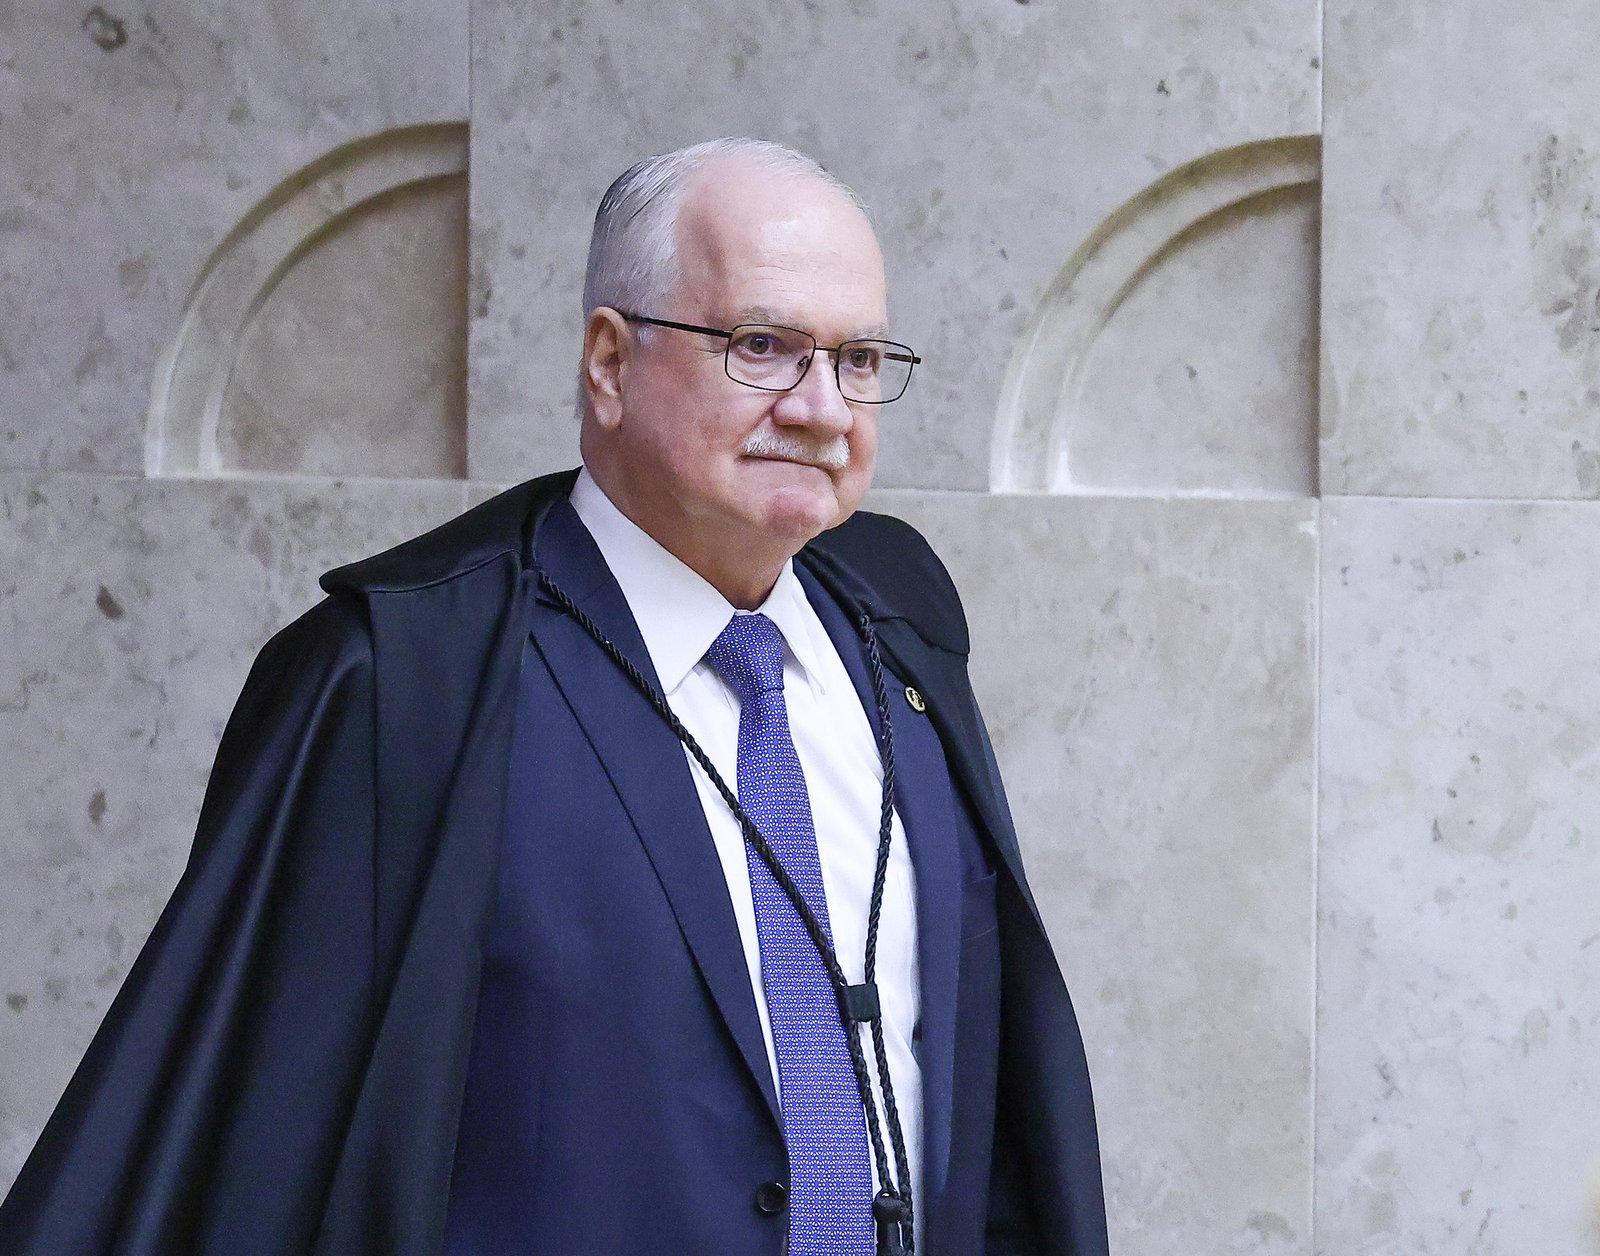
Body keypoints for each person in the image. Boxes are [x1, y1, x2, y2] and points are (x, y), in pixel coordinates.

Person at [0, 138, 1108, 1255]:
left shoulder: (900, 629)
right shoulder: (403, 681)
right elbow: (251, 1149)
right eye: (763, 347)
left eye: (859, 358)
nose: (823, 409)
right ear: (609, 362)